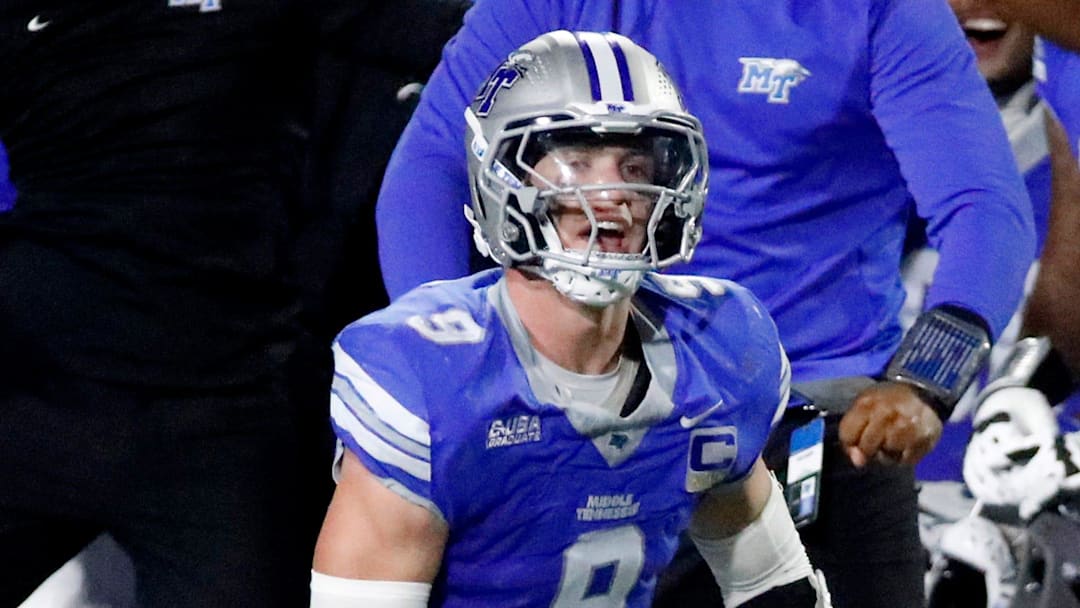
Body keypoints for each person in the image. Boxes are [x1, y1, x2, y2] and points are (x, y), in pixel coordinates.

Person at [372, 2, 1037, 606]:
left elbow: (985, 205)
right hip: (570, 412)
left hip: (815, 422)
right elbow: (432, 164)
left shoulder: (884, 11)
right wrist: (457, 372)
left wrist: (925, 381)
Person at [311, 30, 831, 608]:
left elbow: (773, 587)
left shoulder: (716, 348)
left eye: (634, 165)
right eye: (576, 163)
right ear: (504, 181)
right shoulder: (428, 377)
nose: (611, 193)